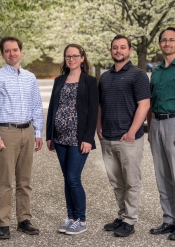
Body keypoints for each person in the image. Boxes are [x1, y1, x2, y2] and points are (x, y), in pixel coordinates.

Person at [0, 37, 44, 239]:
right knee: (5, 181)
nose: (12, 53)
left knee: (25, 180)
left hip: (27, 130)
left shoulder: (30, 77)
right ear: (2, 54)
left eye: (15, 50)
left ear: (21, 51)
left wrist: (37, 132)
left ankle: (24, 219)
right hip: (6, 133)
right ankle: (4, 222)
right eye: (7, 51)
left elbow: (36, 106)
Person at [97, 35, 151, 237]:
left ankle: (130, 220)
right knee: (116, 182)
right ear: (111, 50)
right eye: (115, 47)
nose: (118, 51)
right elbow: (100, 105)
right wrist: (98, 127)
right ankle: (121, 215)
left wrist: (130, 133)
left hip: (128, 139)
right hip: (107, 137)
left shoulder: (138, 76)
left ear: (130, 51)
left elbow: (144, 105)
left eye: (122, 47)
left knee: (131, 181)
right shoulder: (104, 76)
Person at [46, 44, 98, 235]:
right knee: (66, 179)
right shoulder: (59, 80)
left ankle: (81, 219)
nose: (71, 59)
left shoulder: (90, 81)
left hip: (78, 139)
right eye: (68, 56)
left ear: (82, 58)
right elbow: (52, 108)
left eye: (75, 56)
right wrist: (49, 136)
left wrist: (88, 138)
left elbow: (93, 113)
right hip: (59, 138)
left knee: (73, 178)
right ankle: (70, 218)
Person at [147, 27, 175, 241]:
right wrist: (149, 127)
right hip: (157, 124)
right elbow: (150, 101)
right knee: (162, 175)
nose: (167, 43)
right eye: (163, 40)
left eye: (171, 40)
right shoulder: (156, 70)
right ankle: (169, 219)